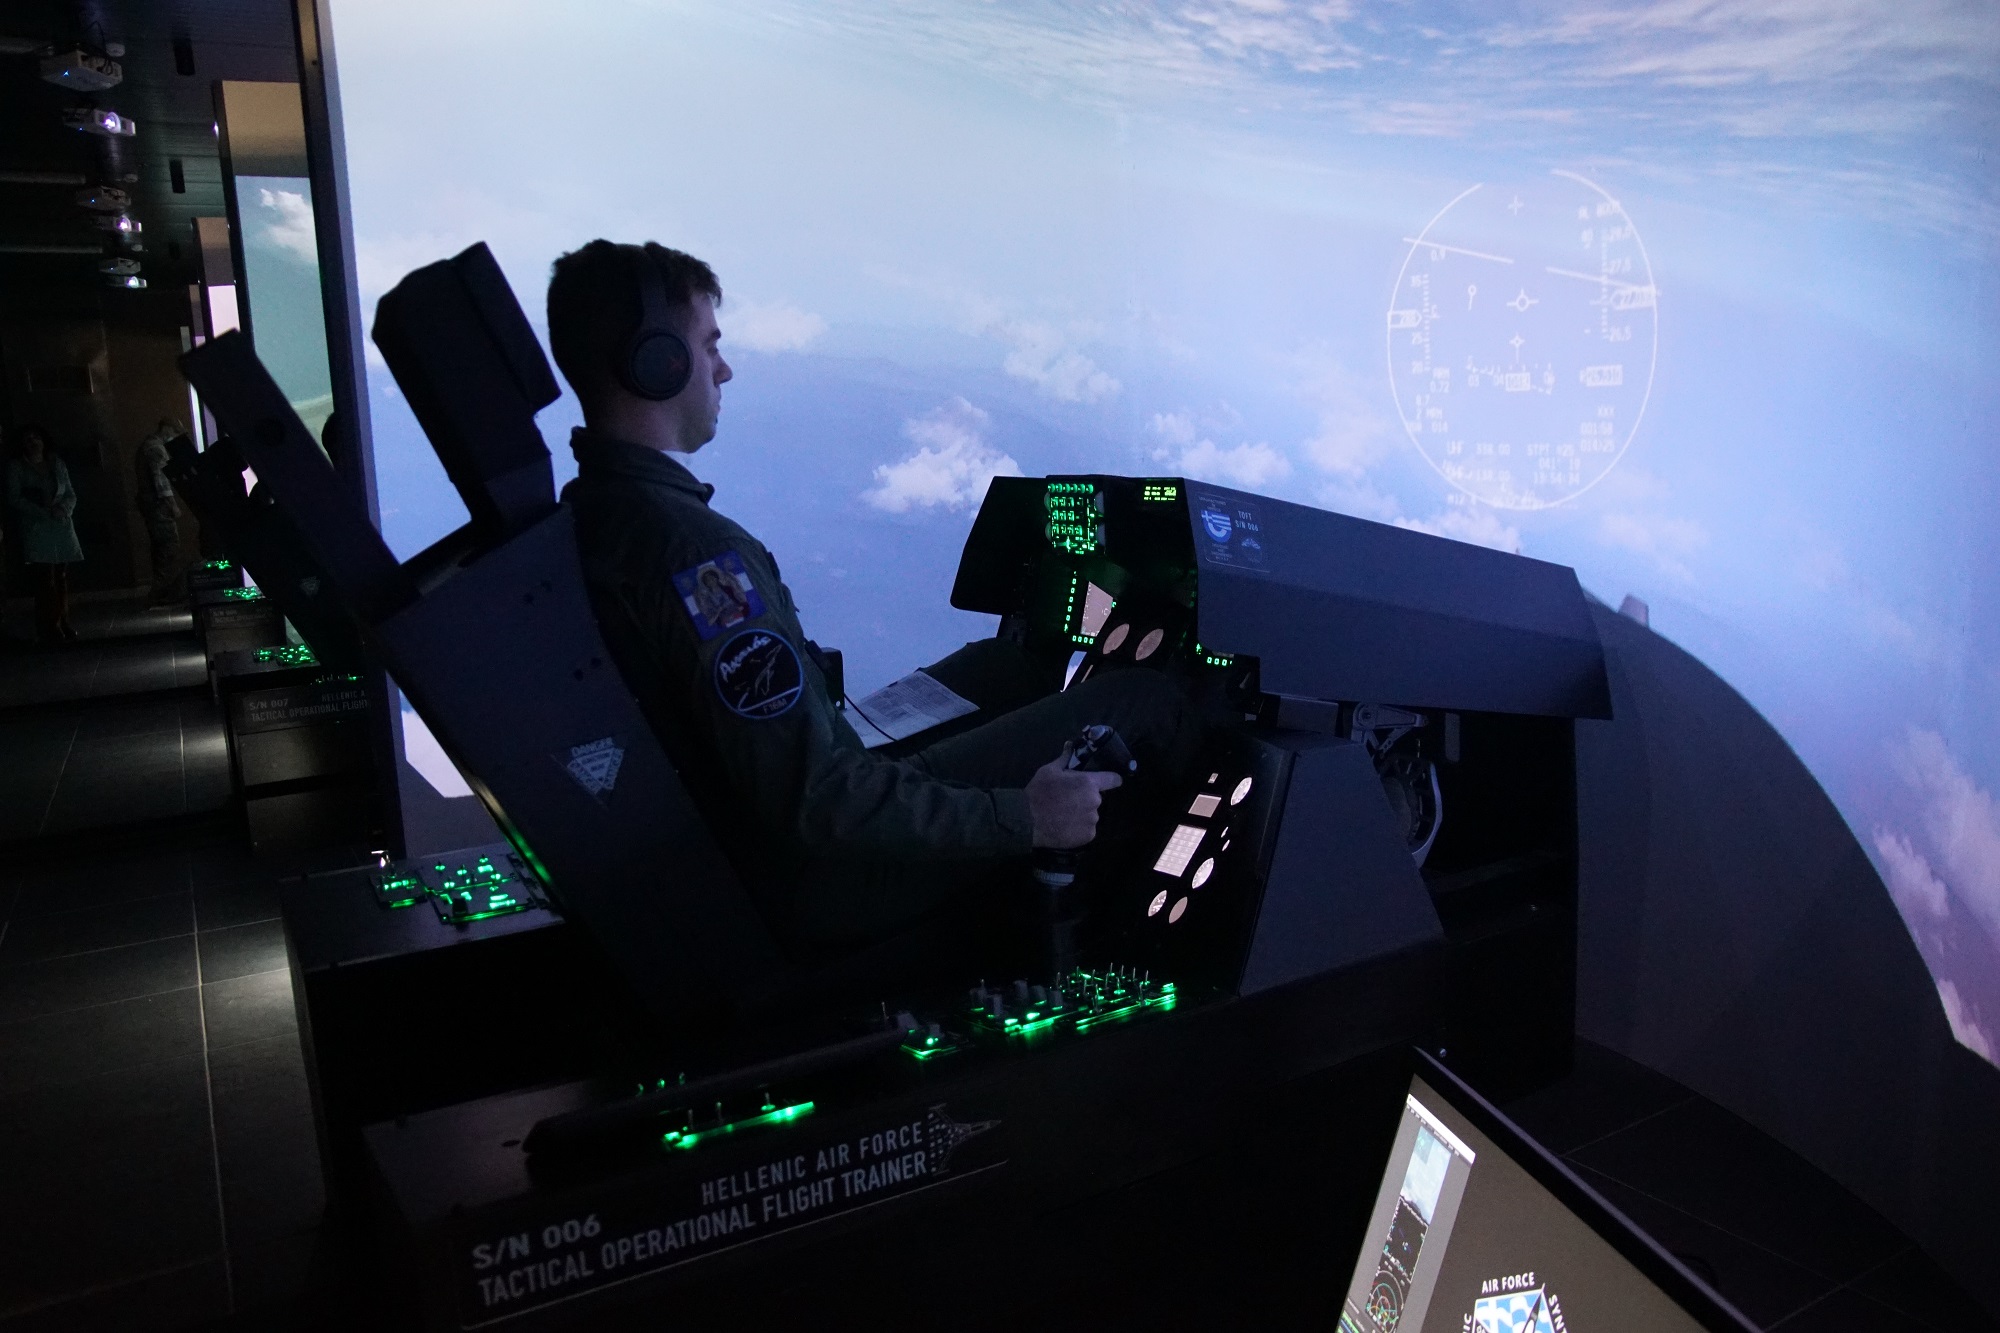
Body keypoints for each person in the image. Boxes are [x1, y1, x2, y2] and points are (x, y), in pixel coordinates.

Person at [552, 241, 1201, 960]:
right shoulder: (697, 559)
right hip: (820, 873)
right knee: (1146, 699)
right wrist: (1027, 817)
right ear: (658, 362)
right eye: (709, 346)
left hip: (756, 834)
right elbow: (820, 801)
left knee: (1008, 668)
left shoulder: (600, 513)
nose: (724, 368)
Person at [6, 425, 84, 644]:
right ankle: (49, 625)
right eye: (28, 439)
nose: (33, 442)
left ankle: (64, 620)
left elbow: (70, 493)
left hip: (60, 525)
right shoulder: (17, 467)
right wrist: (42, 511)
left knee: (61, 576)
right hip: (37, 526)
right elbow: (14, 498)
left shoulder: (56, 464)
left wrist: (64, 509)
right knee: (44, 578)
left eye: (36, 437)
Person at [134, 417, 188, 605]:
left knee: (160, 549)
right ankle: (163, 593)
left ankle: (162, 592)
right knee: (168, 547)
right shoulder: (156, 449)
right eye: (175, 432)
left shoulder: (145, 446)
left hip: (149, 505)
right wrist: (172, 504)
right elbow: (161, 480)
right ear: (166, 428)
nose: (175, 437)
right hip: (158, 507)